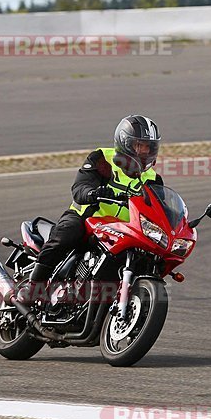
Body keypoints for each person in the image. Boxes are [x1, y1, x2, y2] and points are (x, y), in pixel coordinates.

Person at [17, 114, 164, 304]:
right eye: (139, 146)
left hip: (123, 231)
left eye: (149, 147)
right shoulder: (103, 159)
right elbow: (80, 187)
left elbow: (158, 208)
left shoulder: (153, 179)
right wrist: (92, 193)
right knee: (68, 234)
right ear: (125, 143)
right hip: (87, 219)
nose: (144, 151)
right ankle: (33, 286)